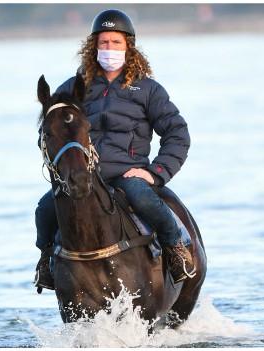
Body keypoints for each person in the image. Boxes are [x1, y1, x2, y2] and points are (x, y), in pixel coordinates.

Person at [34, 9, 195, 292]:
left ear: (128, 47)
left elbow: (177, 134)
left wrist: (155, 173)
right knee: (45, 208)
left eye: (116, 43)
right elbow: (53, 125)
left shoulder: (148, 90)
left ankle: (175, 248)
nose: (109, 49)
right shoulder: (74, 87)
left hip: (127, 174)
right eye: (104, 43)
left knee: (143, 198)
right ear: (94, 46)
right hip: (84, 174)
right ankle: (47, 260)